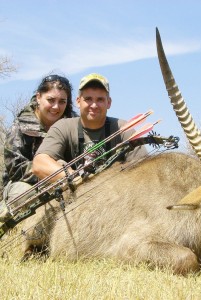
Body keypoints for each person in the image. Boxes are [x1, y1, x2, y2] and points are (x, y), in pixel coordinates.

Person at [32, 72, 147, 183]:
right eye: (88, 99)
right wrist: (76, 178)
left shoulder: (124, 129)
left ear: (109, 103)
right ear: (78, 101)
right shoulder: (63, 127)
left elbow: (144, 170)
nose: (94, 105)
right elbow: (39, 164)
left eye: (100, 99)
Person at [0, 74, 76, 222]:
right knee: (25, 195)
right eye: (51, 100)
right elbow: (16, 168)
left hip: (65, 180)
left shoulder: (74, 122)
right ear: (39, 97)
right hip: (25, 184)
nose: (56, 107)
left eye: (62, 102)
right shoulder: (21, 124)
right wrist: (51, 173)